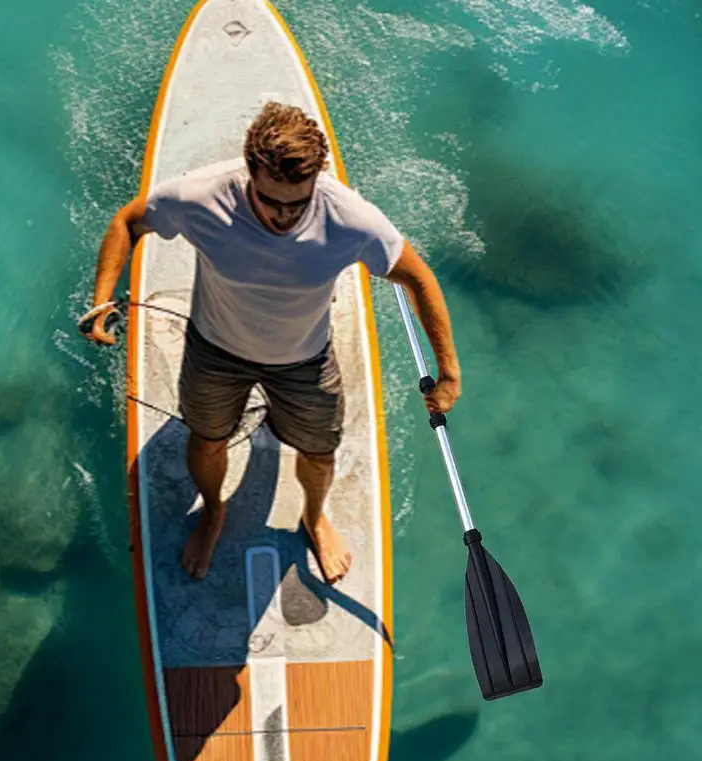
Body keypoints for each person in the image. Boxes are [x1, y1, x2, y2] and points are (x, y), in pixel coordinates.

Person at [79, 101, 462, 584]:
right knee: (207, 439)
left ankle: (313, 517)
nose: (284, 216)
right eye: (271, 201)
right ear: (249, 173)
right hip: (215, 351)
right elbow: (129, 222)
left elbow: (419, 278)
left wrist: (449, 370)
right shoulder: (203, 198)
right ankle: (214, 512)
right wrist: (101, 299)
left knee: (321, 452)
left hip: (304, 360)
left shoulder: (351, 219)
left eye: (297, 204)